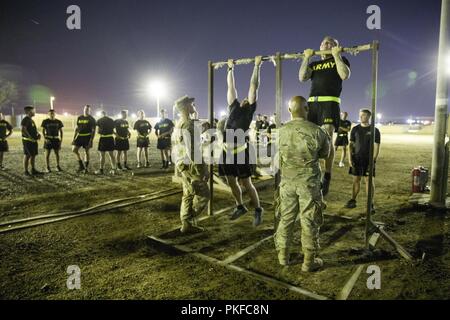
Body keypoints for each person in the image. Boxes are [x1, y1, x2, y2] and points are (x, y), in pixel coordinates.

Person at [274, 96, 330, 272]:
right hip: (308, 184)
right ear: (307, 109)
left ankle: (283, 256)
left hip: (287, 183)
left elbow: (278, 154)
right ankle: (308, 261)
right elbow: (325, 154)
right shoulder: (317, 131)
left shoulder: (280, 131)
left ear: (290, 110)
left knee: (286, 218)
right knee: (309, 220)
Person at [299, 36, 351, 196]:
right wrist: (306, 58)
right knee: (309, 139)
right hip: (313, 104)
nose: (325, 44)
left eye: (329, 42)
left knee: (327, 135)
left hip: (330, 103)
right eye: (323, 42)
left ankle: (327, 174)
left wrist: (336, 55)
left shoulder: (340, 60)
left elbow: (344, 75)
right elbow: (302, 77)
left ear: (336, 45)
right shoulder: (315, 64)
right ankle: (315, 172)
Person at [218, 56, 264, 227]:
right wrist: (230, 69)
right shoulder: (233, 107)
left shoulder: (249, 111)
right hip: (226, 152)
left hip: (240, 152)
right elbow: (231, 87)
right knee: (231, 181)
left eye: (247, 99)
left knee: (247, 183)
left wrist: (256, 66)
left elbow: (253, 87)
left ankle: (258, 209)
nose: (245, 99)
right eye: (243, 99)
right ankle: (240, 206)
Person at [173, 96, 210, 233]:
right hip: (190, 165)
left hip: (182, 163)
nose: (194, 106)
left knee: (188, 193)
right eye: (192, 104)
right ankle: (188, 218)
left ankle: (186, 224)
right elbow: (192, 151)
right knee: (204, 194)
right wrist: (204, 169)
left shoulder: (179, 123)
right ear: (187, 107)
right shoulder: (188, 125)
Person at [345, 109, 381, 211]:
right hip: (356, 159)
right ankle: (353, 200)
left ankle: (370, 204)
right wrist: (350, 158)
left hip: (368, 160)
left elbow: (376, 146)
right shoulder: (355, 129)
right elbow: (350, 145)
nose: (361, 117)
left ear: (369, 117)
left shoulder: (375, 130)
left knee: (369, 181)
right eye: (360, 115)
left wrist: (373, 160)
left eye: (364, 115)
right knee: (356, 180)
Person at [72, 105, 96, 173]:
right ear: (83, 109)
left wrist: (91, 140)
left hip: (87, 137)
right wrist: (74, 137)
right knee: (74, 150)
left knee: (86, 152)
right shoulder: (80, 117)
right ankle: (81, 165)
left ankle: (86, 168)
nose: (86, 110)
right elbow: (76, 128)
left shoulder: (92, 119)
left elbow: (93, 131)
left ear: (89, 110)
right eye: (85, 109)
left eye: (88, 109)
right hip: (79, 136)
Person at [21, 106, 42, 176]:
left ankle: (33, 170)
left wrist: (37, 134)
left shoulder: (31, 120)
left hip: (33, 141)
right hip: (28, 141)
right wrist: (30, 137)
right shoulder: (25, 119)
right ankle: (25, 171)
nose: (34, 112)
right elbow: (23, 129)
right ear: (29, 112)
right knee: (27, 155)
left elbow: (33, 129)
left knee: (33, 155)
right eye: (33, 110)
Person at [96, 110, 117, 175]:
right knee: (111, 155)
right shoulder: (111, 120)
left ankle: (101, 170)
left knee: (102, 155)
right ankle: (114, 169)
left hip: (103, 139)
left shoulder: (99, 120)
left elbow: (98, 131)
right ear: (106, 114)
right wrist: (116, 135)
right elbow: (113, 130)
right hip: (110, 138)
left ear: (101, 114)